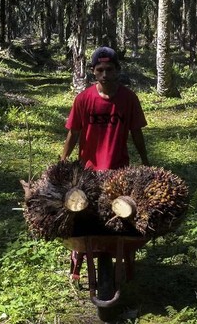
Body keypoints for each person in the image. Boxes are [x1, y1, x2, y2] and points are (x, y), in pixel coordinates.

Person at [61, 46, 149, 281]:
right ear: (93, 72)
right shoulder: (83, 99)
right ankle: (77, 257)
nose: (105, 74)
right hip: (88, 172)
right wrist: (63, 160)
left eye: (110, 69)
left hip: (118, 169)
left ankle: (123, 256)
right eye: (100, 70)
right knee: (83, 216)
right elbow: (74, 132)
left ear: (118, 70)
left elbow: (136, 132)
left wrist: (145, 160)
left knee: (121, 216)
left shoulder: (128, 98)